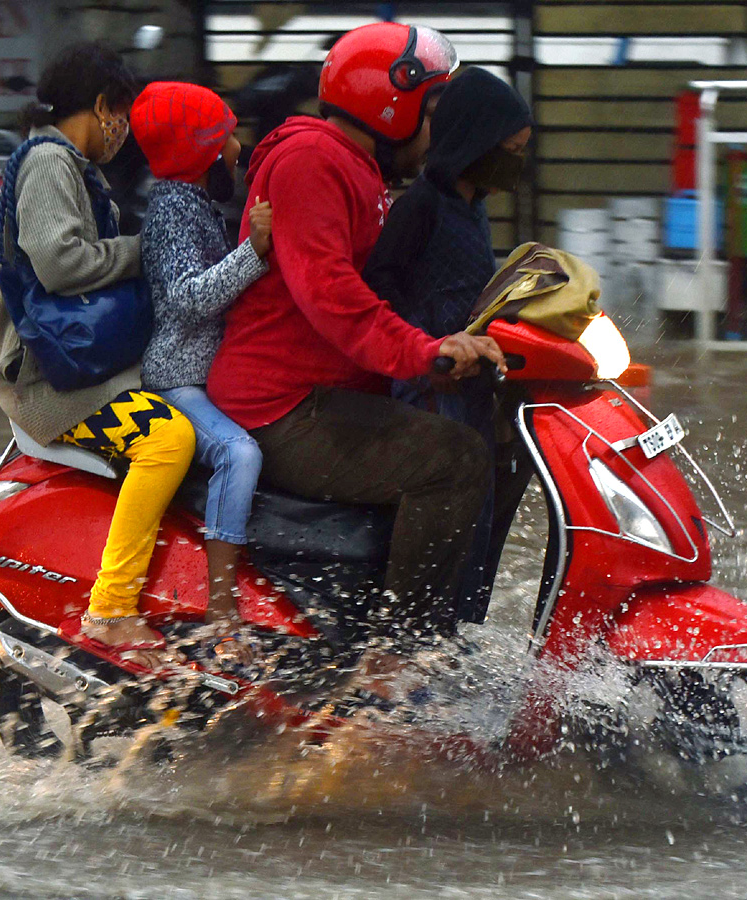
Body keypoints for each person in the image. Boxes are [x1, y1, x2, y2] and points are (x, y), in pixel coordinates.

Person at [205, 23, 506, 652]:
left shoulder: (356, 169)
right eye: (431, 111)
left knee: (487, 438)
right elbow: (332, 296)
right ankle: (399, 657)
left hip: (323, 392)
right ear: (392, 106)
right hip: (283, 406)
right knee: (454, 460)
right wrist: (427, 352)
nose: (435, 133)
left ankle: (411, 629)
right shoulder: (311, 161)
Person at [0, 43, 195, 667]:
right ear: (103, 106)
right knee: (169, 440)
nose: (125, 130)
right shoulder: (51, 161)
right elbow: (62, 263)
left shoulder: (71, 165)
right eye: (122, 114)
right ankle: (111, 610)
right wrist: (145, 251)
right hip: (55, 382)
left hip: (82, 364)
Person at [364, 66, 533, 624]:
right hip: (432, 385)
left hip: (474, 380)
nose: (516, 162)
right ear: (475, 142)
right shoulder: (423, 205)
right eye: (509, 149)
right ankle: (424, 631)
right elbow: (380, 287)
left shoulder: (474, 205)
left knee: (495, 492)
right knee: (457, 507)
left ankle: (462, 628)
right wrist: (426, 346)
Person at [131, 81, 272, 632]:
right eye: (230, 137)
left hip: (205, 376)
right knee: (240, 454)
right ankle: (221, 609)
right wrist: (254, 253)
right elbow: (187, 298)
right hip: (176, 378)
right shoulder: (172, 210)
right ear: (205, 152)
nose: (239, 149)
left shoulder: (192, 204)